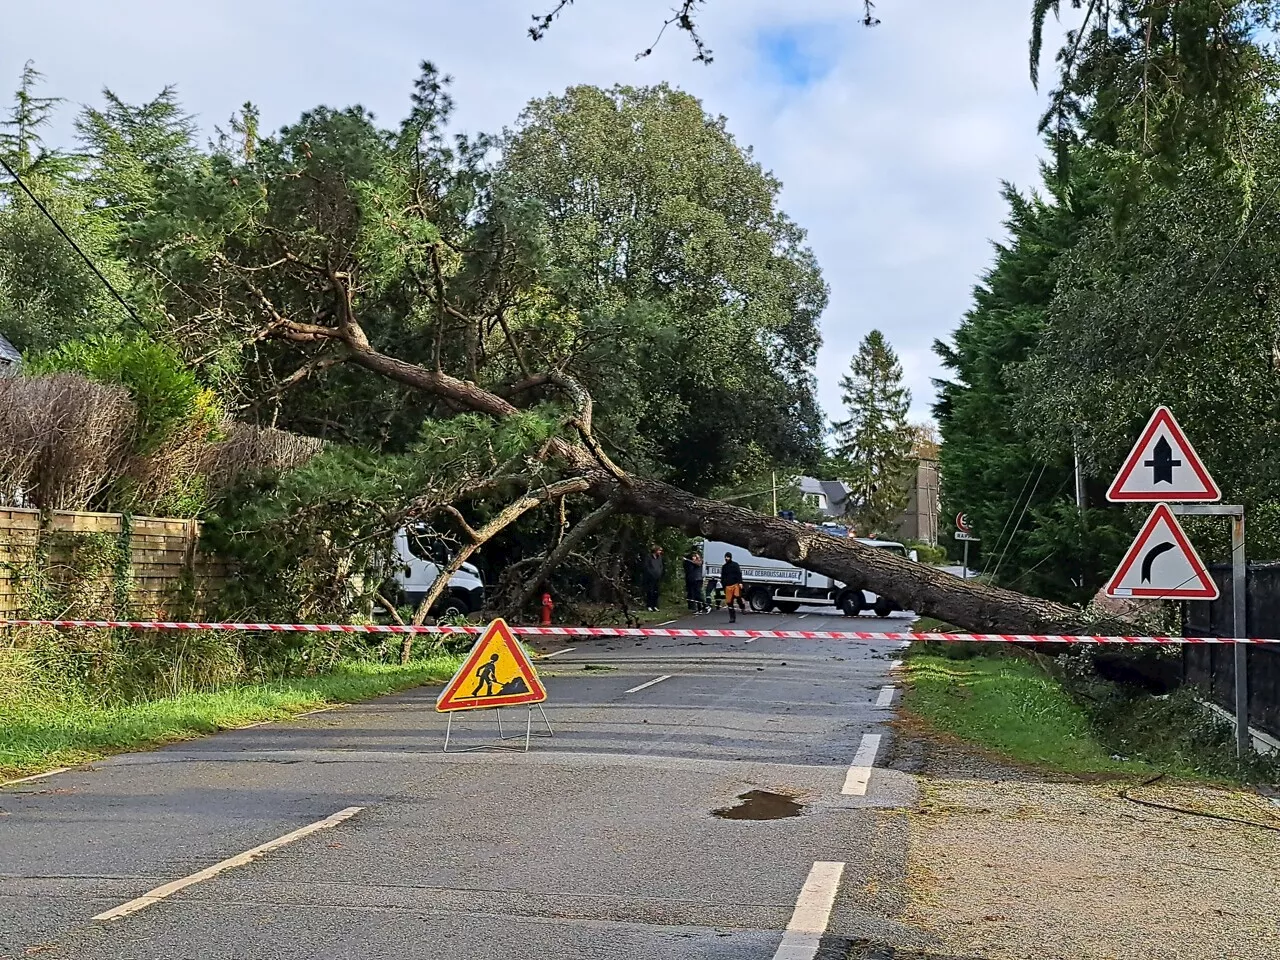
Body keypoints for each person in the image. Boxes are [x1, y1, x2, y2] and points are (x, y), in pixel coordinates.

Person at [721, 551, 746, 623]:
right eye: (725, 557)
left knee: (738, 597)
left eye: (728, 557)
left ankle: (742, 607)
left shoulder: (735, 565)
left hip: (735, 585)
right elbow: (723, 577)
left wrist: (740, 583)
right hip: (727, 586)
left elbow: (739, 574)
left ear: (730, 557)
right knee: (729, 602)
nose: (726, 558)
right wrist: (724, 586)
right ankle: (732, 617)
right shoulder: (724, 567)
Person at [641, 544, 665, 611]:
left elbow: (661, 566)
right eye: (659, 550)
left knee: (656, 591)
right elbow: (646, 567)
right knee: (650, 591)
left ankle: (655, 605)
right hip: (650, 577)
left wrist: (660, 572)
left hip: (657, 577)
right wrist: (651, 573)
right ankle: (649, 605)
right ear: (655, 550)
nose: (660, 552)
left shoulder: (659, 557)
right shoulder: (648, 557)